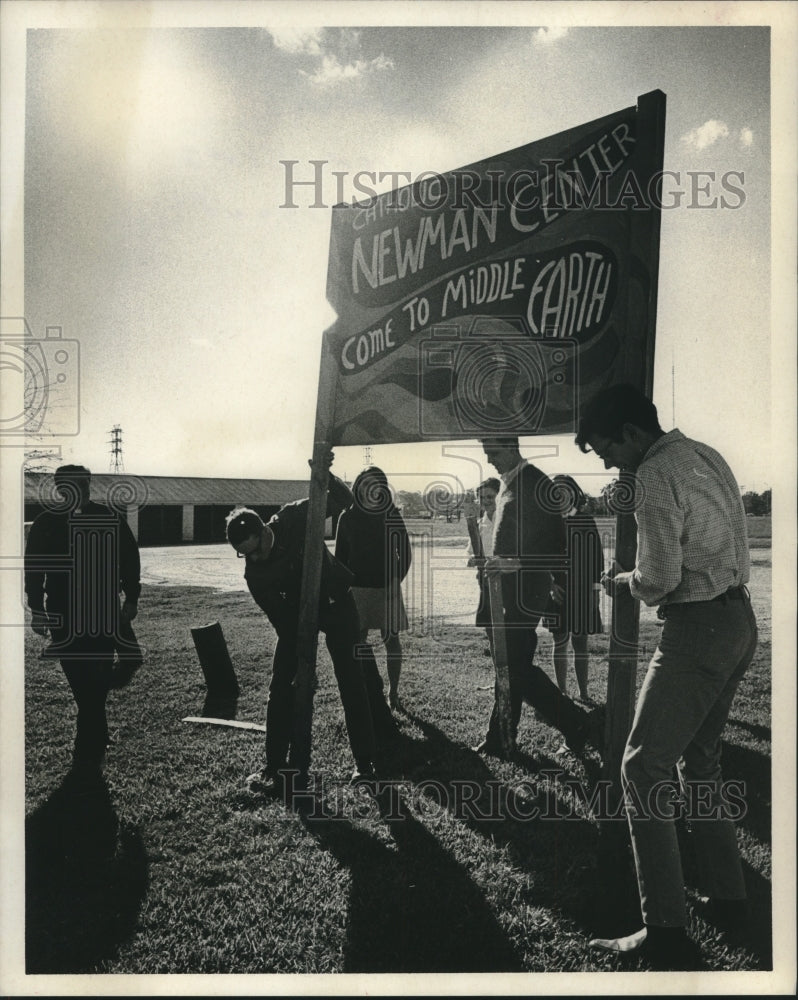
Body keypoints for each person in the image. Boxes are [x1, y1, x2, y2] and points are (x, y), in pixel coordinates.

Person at [576, 384, 757, 970]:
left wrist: (618, 580)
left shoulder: (653, 474)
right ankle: (728, 895)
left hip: (698, 629)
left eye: (606, 449)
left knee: (641, 765)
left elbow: (657, 578)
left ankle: (666, 930)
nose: (607, 462)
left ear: (630, 433)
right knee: (700, 760)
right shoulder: (705, 453)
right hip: (738, 621)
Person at [226, 453, 395, 797]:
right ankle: (274, 768)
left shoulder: (293, 517)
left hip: (336, 602)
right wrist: (301, 663)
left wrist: (325, 474)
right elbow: (281, 623)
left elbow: (344, 500)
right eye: (245, 555)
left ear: (264, 530)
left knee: (352, 678)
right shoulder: (254, 574)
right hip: (295, 620)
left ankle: (365, 764)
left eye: (254, 550)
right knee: (280, 686)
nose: (254, 559)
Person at [474, 437, 597, 758]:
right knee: (513, 665)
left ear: (512, 448)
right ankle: (501, 737)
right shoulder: (508, 484)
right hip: (508, 590)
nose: (490, 460)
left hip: (525, 592)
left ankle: (576, 723)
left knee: (514, 667)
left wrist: (516, 563)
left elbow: (558, 543)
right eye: (486, 454)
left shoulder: (535, 482)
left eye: (494, 453)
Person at [24, 465, 141, 781]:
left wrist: (131, 597)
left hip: (101, 611)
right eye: (75, 486)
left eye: (86, 485)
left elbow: (129, 557)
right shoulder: (45, 525)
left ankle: (88, 746)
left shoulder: (107, 517)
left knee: (97, 676)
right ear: (61, 489)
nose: (83, 491)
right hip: (63, 614)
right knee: (79, 678)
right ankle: (95, 735)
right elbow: (34, 570)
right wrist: (37, 609)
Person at [334, 467, 412, 710]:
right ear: (357, 487)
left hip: (386, 588)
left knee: (391, 640)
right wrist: (343, 591)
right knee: (358, 643)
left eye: (375, 484)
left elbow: (405, 555)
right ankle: (364, 691)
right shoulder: (346, 517)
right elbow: (339, 560)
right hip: (356, 591)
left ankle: (394, 693)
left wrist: (393, 581)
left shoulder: (391, 515)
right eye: (364, 484)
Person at [546, 474, 603, 702]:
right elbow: (539, 559)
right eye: (555, 490)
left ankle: (584, 692)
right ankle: (562, 693)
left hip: (582, 592)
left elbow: (596, 558)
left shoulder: (585, 520)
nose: (560, 494)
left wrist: (595, 592)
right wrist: (549, 585)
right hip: (556, 592)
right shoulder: (546, 522)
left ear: (573, 492)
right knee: (559, 641)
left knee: (581, 642)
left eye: (565, 489)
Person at [466, 477, 500, 655]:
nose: (486, 501)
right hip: (485, 582)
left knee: (507, 632)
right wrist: (473, 559)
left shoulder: (508, 522)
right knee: (490, 630)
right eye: (482, 498)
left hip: (507, 583)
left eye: (490, 497)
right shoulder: (479, 525)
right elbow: (472, 551)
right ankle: (498, 680)